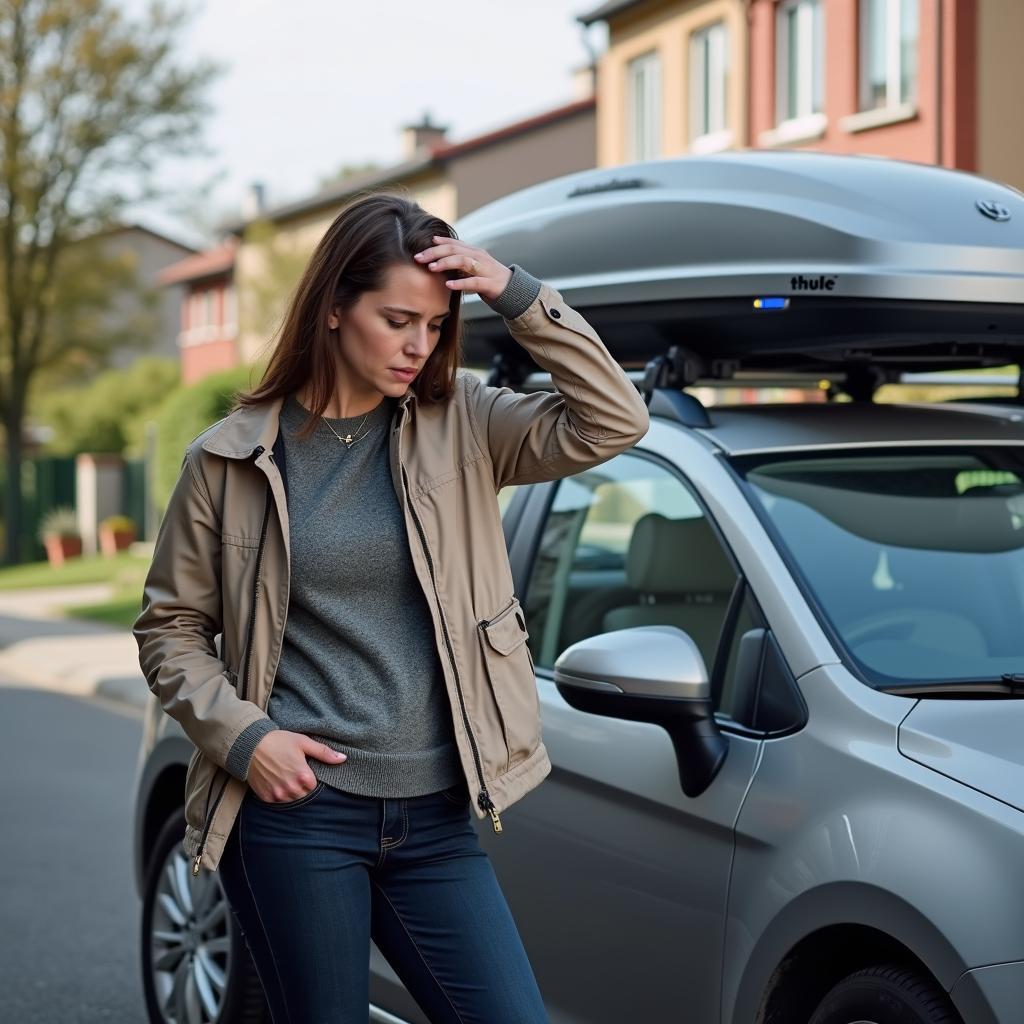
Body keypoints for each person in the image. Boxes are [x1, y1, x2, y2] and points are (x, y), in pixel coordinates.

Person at [133, 191, 650, 1023]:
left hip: (439, 817)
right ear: (335, 307)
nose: (420, 345)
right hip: (297, 815)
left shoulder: (464, 424)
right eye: (397, 319)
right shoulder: (227, 460)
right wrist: (248, 741)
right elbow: (170, 629)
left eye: (438, 326)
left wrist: (513, 291)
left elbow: (615, 419)